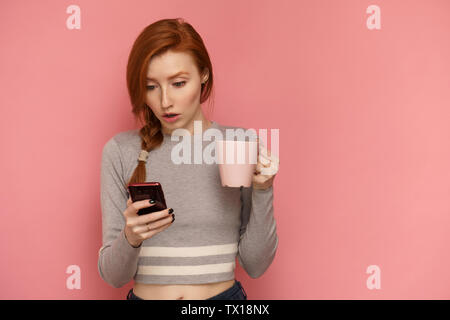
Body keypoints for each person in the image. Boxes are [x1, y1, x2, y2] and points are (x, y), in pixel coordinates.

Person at [97, 18, 279, 300]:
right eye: (151, 86)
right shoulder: (120, 151)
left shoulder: (238, 145)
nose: (165, 101)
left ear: (203, 75)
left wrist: (263, 189)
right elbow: (113, 276)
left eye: (179, 83)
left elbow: (255, 266)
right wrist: (130, 238)